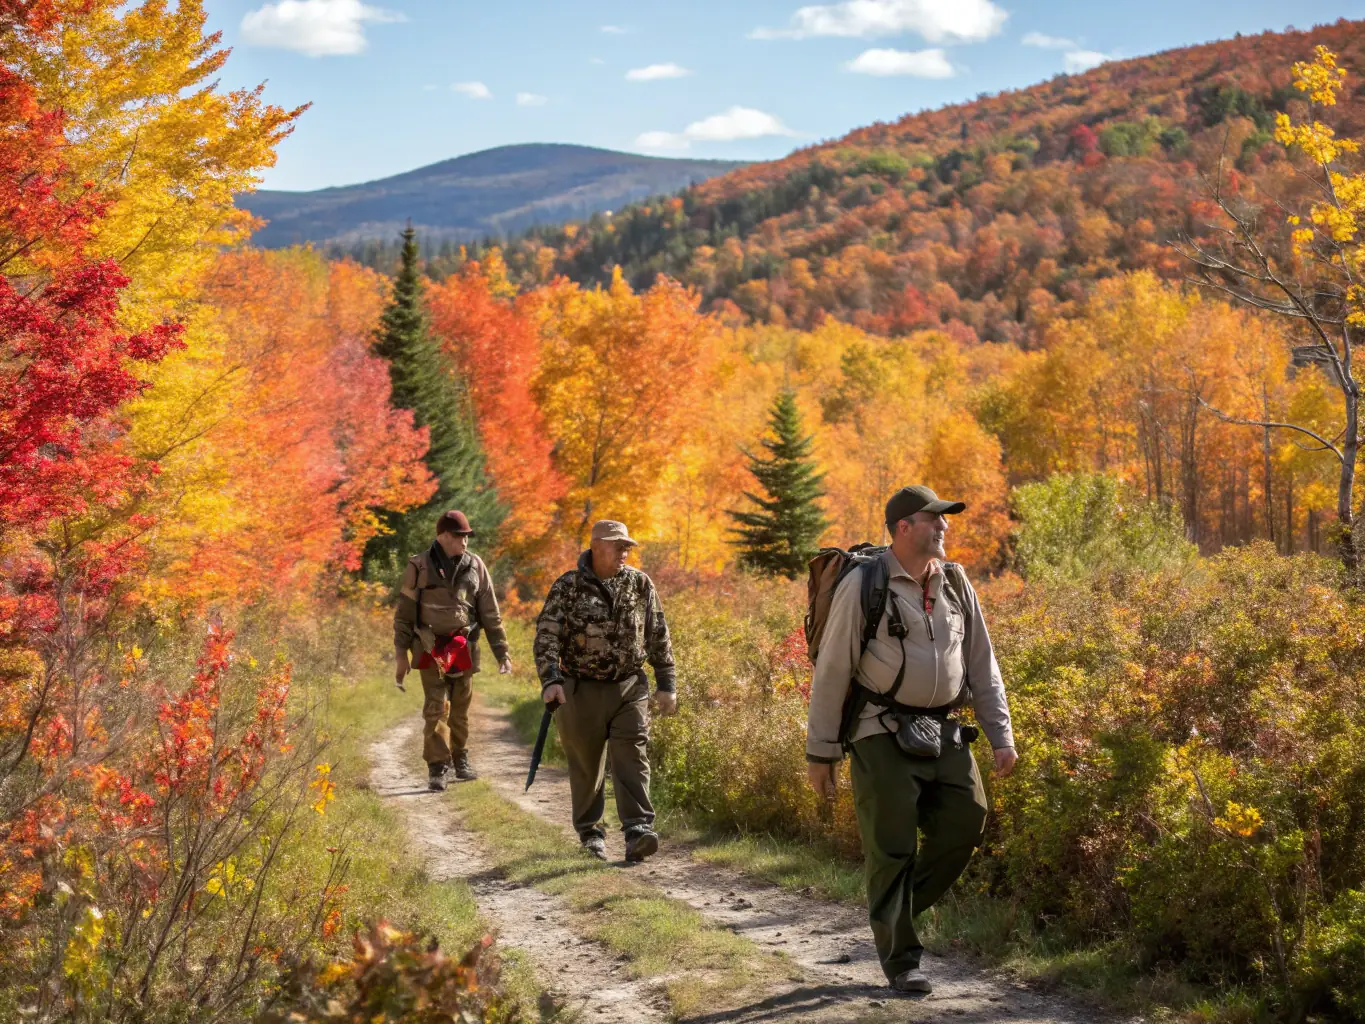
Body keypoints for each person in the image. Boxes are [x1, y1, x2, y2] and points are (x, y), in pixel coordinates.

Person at [805, 485, 1018, 995]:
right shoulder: (865, 584)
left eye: (945, 519)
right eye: (933, 519)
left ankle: (891, 911)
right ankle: (902, 960)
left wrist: (1000, 735)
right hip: (879, 730)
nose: (944, 527)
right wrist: (822, 751)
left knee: (968, 819)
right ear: (903, 528)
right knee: (893, 848)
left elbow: (982, 664)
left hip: (943, 729)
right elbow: (833, 669)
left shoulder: (955, 582)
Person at [533, 520, 677, 862]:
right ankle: (591, 832)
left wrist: (666, 683)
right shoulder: (568, 586)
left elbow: (658, 633)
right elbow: (547, 635)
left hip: (630, 686)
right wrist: (551, 680)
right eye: (619, 546)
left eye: (628, 546)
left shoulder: (640, 583)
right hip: (579, 689)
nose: (625, 552)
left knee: (632, 755)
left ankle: (638, 831)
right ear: (597, 546)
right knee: (586, 764)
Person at [394, 509, 512, 791]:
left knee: (460, 709)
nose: (465, 541)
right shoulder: (419, 565)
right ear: (444, 536)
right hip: (429, 645)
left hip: (463, 646)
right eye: (460, 536)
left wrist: (502, 652)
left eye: (467, 536)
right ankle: (437, 766)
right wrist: (401, 654)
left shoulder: (475, 565)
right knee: (436, 707)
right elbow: (405, 614)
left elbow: (490, 612)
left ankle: (460, 758)